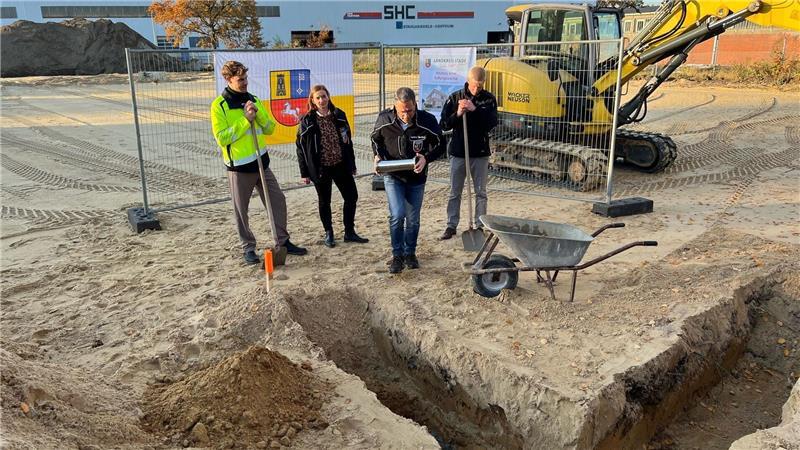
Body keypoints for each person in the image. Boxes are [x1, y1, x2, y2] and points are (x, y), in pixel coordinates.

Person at [210, 60, 307, 265]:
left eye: (245, 78)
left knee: (277, 201)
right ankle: (248, 247)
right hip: (239, 168)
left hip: (262, 164)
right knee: (241, 210)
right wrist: (245, 120)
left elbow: (270, 128)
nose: (245, 83)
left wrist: (258, 114)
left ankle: (283, 241)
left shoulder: (253, 99)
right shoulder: (220, 106)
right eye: (240, 80)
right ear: (228, 80)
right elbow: (222, 138)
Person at [371, 87, 445, 274]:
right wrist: (377, 156)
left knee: (413, 219)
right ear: (395, 106)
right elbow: (375, 140)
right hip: (393, 175)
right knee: (397, 215)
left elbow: (440, 144)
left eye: (410, 110)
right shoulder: (384, 120)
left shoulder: (427, 120)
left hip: (416, 177)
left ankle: (410, 253)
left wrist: (425, 158)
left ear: (415, 105)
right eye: (402, 110)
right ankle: (397, 256)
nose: (406, 114)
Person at [296, 84, 369, 247]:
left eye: (324, 96)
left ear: (328, 96)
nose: (322, 100)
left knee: (351, 197)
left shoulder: (339, 115)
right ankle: (329, 232)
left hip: (341, 165)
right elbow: (300, 147)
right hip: (321, 168)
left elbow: (348, 141)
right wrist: (304, 172)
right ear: (313, 101)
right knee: (324, 201)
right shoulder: (307, 121)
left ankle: (349, 231)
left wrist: (352, 163)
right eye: (318, 98)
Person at [439, 66, 498, 240]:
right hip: (459, 152)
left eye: (480, 86)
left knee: (481, 192)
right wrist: (458, 113)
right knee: (454, 191)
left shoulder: (489, 100)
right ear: (468, 81)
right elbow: (444, 124)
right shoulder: (454, 97)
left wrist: (474, 109)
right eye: (474, 85)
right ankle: (451, 225)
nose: (476, 89)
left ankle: (479, 225)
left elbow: (492, 123)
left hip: (480, 153)